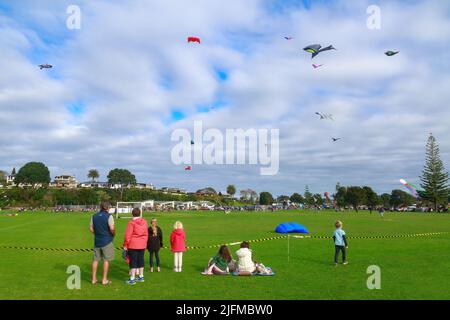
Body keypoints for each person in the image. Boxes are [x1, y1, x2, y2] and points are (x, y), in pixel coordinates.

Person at [90, 201, 115, 285]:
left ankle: (94, 279)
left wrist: (96, 234)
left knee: (95, 260)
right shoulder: (109, 216)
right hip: (107, 241)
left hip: (97, 241)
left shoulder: (94, 216)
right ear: (108, 208)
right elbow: (111, 228)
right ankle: (104, 280)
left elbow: (91, 228)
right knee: (106, 260)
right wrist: (113, 233)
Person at [123, 208, 148, 284]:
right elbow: (146, 234)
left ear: (132, 214)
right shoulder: (144, 222)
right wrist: (144, 242)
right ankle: (141, 276)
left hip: (133, 245)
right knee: (141, 260)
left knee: (133, 261)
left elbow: (128, 235)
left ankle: (132, 278)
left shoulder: (131, 223)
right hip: (142, 244)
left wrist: (125, 244)